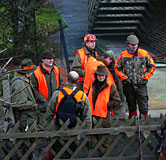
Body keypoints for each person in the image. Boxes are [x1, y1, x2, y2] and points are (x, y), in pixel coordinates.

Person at [45, 71, 92, 159]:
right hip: (74, 132)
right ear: (78, 81)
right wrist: (88, 132)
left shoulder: (57, 94)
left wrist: (48, 131)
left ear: (66, 79)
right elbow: (87, 117)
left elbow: (49, 113)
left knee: (58, 155)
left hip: (58, 131)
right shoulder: (82, 95)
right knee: (71, 155)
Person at [114, 34, 155, 119]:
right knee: (131, 106)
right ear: (128, 44)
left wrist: (145, 77)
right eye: (132, 45)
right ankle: (132, 123)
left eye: (136, 44)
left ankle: (144, 123)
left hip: (141, 85)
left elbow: (152, 66)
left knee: (143, 106)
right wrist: (124, 78)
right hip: (128, 85)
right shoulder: (123, 55)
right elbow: (117, 68)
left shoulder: (144, 54)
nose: (134, 46)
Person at [10, 58, 38, 159]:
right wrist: (33, 104)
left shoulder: (24, 81)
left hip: (27, 119)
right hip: (24, 121)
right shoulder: (19, 83)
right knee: (24, 147)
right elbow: (19, 104)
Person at [30, 50, 64, 131]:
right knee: (44, 129)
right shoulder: (36, 73)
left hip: (56, 105)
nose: (51, 60)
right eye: (48, 58)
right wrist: (43, 100)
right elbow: (33, 89)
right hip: (43, 107)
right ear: (42, 59)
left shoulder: (56, 69)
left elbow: (61, 84)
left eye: (52, 58)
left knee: (56, 128)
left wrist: (59, 96)